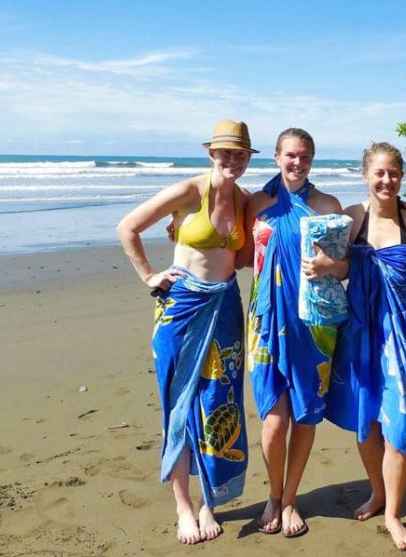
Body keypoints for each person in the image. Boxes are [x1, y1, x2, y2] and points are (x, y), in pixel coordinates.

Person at [116, 119, 256, 545]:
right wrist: (148, 276)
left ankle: (210, 501)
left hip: (226, 306)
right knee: (176, 402)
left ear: (248, 159)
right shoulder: (188, 191)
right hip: (181, 307)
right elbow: (128, 227)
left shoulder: (246, 199)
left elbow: (247, 256)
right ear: (211, 153)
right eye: (224, 152)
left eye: (240, 154)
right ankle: (183, 507)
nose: (231, 160)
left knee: (219, 401)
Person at [326, 142, 406, 551]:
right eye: (379, 173)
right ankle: (378, 491)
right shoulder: (351, 220)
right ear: (365, 175)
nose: (387, 180)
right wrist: (329, 267)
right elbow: (335, 271)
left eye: (393, 172)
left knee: (400, 422)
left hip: (405, 338)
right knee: (367, 420)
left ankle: (393, 514)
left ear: (402, 175)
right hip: (359, 333)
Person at [242, 128, 346, 538]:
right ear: (277, 156)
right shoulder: (257, 203)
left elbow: (346, 267)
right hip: (266, 320)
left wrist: (329, 267)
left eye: (304, 156)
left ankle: (290, 500)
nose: (297, 162)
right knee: (273, 420)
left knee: (304, 416)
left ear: (312, 159)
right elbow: (235, 254)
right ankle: (273, 493)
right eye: (290, 155)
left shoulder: (327, 206)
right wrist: (180, 233)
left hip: (313, 325)